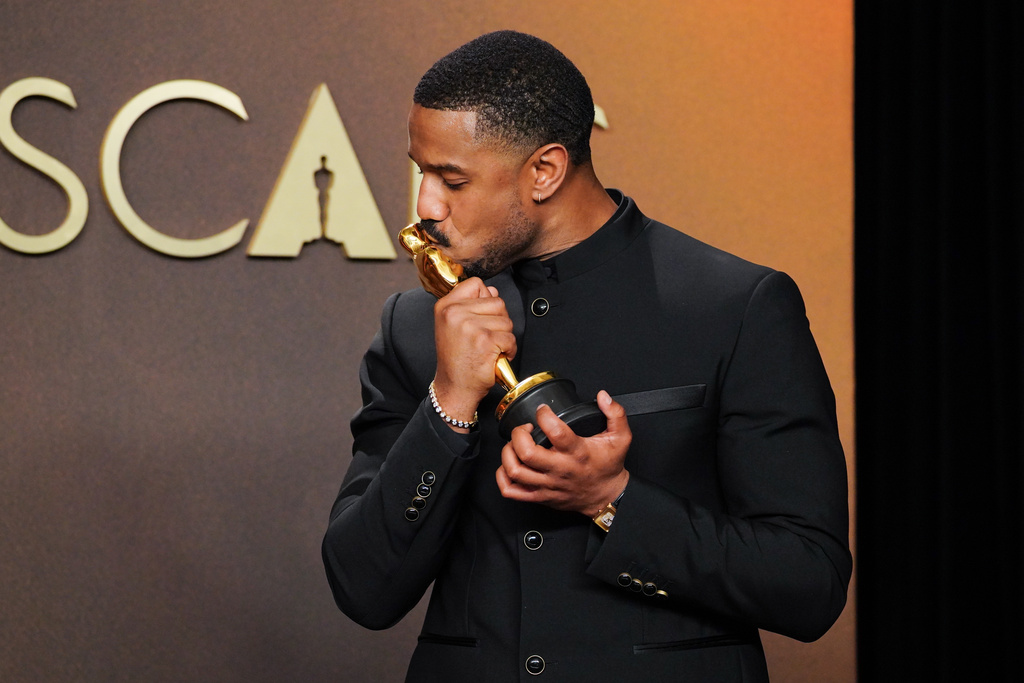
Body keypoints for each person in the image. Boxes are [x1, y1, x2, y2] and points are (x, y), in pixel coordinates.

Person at [322, 30, 851, 682]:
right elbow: (362, 589)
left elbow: (809, 581)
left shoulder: (735, 307)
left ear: (544, 171)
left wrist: (613, 500)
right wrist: (449, 405)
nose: (425, 205)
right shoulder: (414, 327)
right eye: (421, 171)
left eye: (451, 179)